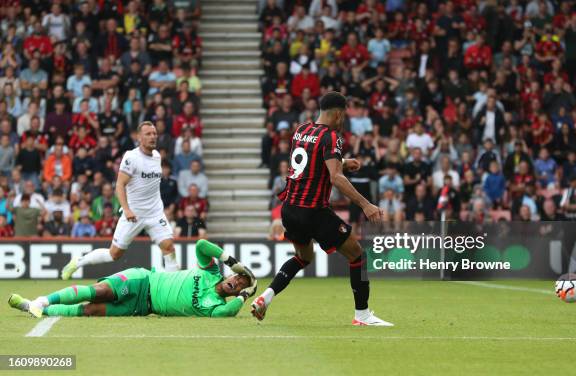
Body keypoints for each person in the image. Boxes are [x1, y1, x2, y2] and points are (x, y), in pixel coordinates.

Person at [252, 91, 392, 326]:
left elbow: (310, 161)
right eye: (344, 114)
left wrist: (344, 162)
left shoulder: (301, 130)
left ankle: (266, 297)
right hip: (313, 210)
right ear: (337, 113)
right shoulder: (332, 136)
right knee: (357, 254)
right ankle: (363, 315)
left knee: (303, 257)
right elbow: (335, 177)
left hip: (290, 208)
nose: (343, 119)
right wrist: (365, 204)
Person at [9, 240, 257, 318]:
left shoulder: (216, 306)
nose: (237, 282)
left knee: (90, 311)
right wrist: (233, 261)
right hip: (143, 280)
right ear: (232, 274)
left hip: (142, 307)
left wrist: (247, 295)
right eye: (238, 278)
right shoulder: (212, 271)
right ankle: (42, 301)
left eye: (240, 286)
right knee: (99, 291)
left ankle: (29, 307)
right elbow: (202, 245)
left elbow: (228, 314)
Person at [61, 122, 179, 280]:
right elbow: (119, 184)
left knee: (169, 247)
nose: (153, 137)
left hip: (155, 213)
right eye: (148, 134)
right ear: (139, 137)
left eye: (154, 133)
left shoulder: (157, 156)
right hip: (133, 214)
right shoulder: (131, 157)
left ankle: (174, 288)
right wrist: (127, 209)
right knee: (114, 253)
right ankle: (78, 262)